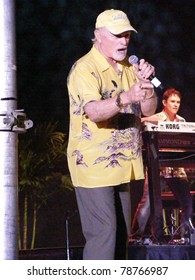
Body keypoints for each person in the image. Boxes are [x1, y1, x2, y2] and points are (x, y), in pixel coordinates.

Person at [67, 9, 158, 260]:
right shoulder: (84, 68)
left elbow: (150, 110)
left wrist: (146, 87)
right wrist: (126, 97)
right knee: (104, 232)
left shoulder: (130, 67)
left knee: (121, 236)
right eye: (117, 35)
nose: (124, 41)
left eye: (127, 34)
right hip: (93, 164)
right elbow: (94, 112)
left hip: (124, 165)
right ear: (98, 35)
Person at [131, 88, 194, 244]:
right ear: (165, 103)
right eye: (172, 102)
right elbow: (141, 121)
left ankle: (186, 236)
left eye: (178, 102)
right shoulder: (157, 118)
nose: (175, 105)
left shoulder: (182, 121)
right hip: (157, 166)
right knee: (147, 203)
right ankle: (136, 236)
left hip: (176, 168)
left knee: (187, 201)